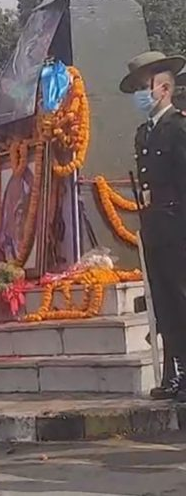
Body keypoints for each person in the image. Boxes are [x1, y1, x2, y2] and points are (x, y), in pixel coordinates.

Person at [119, 51, 186, 401]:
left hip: (178, 226)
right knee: (162, 303)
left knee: (181, 297)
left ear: (162, 89)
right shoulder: (144, 133)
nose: (139, 97)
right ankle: (173, 374)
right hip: (154, 225)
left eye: (142, 88)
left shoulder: (178, 127)